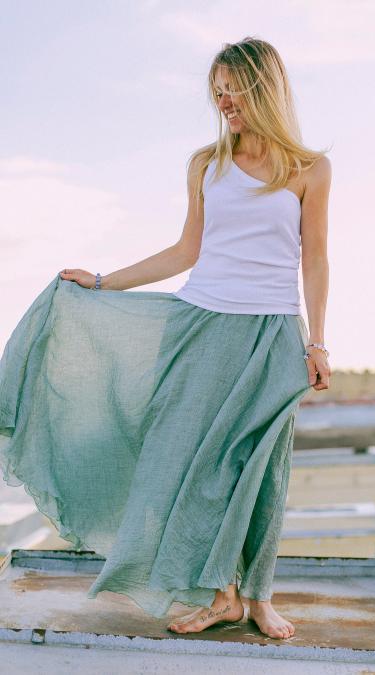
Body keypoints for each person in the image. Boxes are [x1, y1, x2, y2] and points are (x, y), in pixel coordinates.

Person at [1, 37, 331, 640]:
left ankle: (257, 595)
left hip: (274, 334)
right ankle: (222, 595)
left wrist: (319, 342)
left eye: (234, 89)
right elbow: (186, 251)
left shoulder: (310, 169)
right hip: (201, 326)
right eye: (218, 92)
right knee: (196, 466)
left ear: (264, 88)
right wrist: (103, 283)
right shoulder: (207, 163)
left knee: (260, 470)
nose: (225, 102)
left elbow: (315, 260)